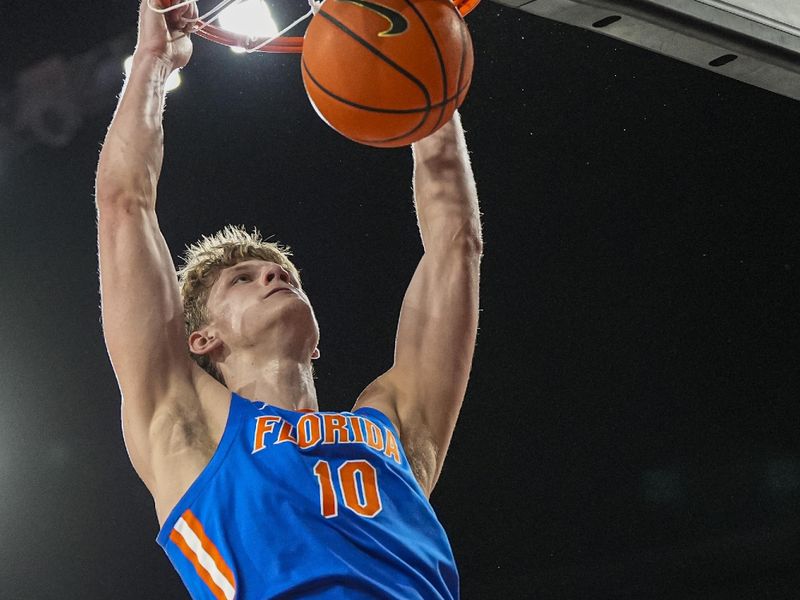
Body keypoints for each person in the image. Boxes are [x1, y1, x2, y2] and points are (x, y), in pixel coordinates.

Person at [95, 1, 482, 598]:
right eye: (242, 279)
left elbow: (456, 242)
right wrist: (152, 61)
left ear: (317, 337)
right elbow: (125, 207)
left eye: (284, 274)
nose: (275, 277)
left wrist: (428, 73)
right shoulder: (188, 426)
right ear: (202, 338)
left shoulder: (395, 422)